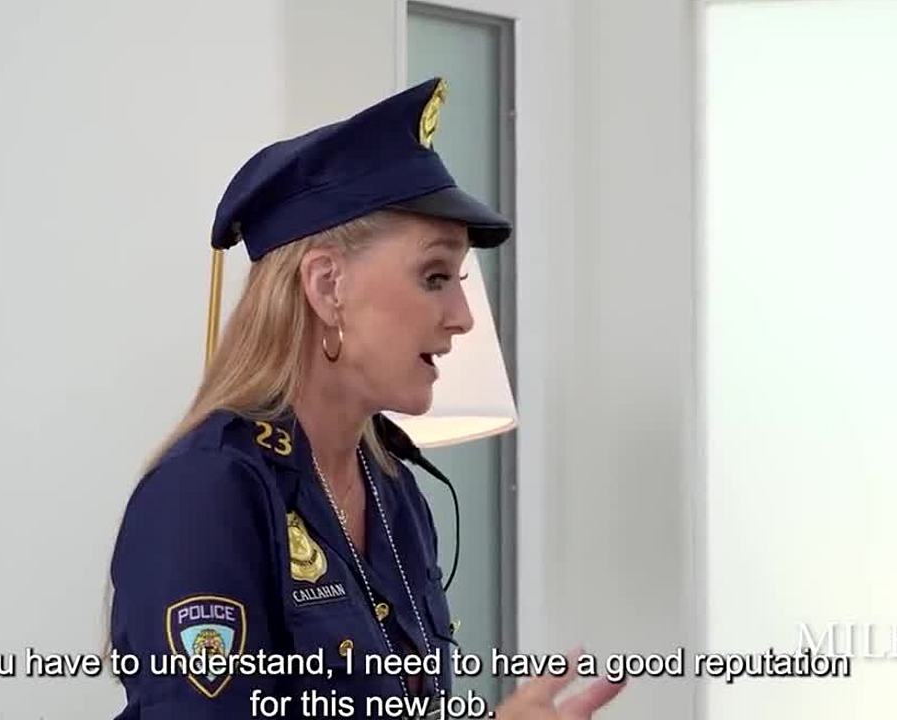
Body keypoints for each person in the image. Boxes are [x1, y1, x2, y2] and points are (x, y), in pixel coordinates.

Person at [108, 78, 625, 719]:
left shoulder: (392, 490)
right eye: (435, 276)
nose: (463, 317)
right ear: (328, 286)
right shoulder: (209, 492)